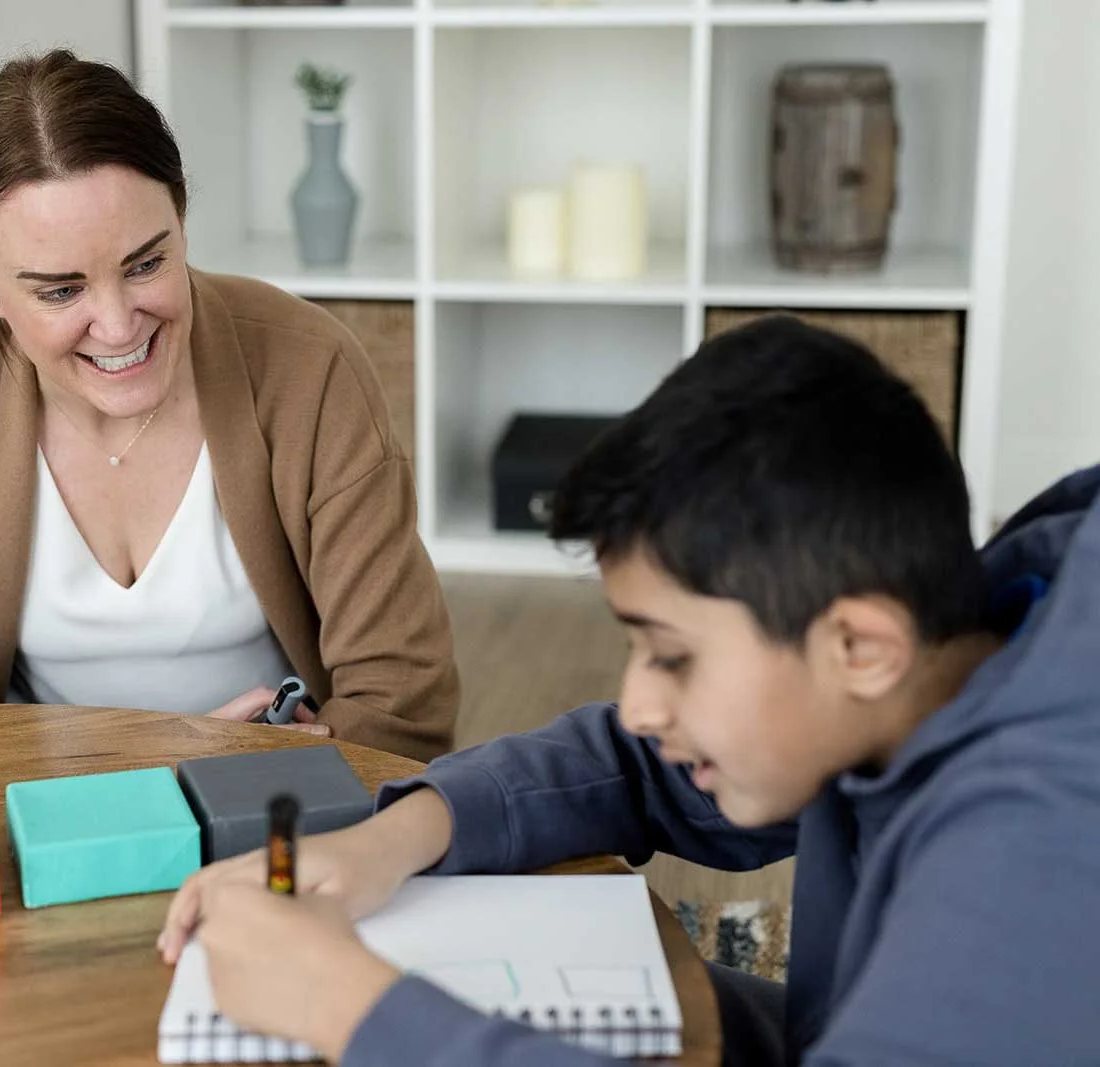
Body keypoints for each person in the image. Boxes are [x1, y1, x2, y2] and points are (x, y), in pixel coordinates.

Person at [158, 315, 1100, 1065]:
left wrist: (349, 1004)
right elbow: (637, 767)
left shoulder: (1041, 842)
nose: (642, 702)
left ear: (860, 644)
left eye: (674, 656)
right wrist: (393, 836)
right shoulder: (940, 649)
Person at [0, 50, 457, 762]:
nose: (118, 326)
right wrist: (144, 779)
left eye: (147, 264)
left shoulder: (309, 367)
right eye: (61, 291)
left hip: (274, 810)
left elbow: (404, 701)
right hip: (34, 818)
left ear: (180, 218)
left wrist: (249, 779)